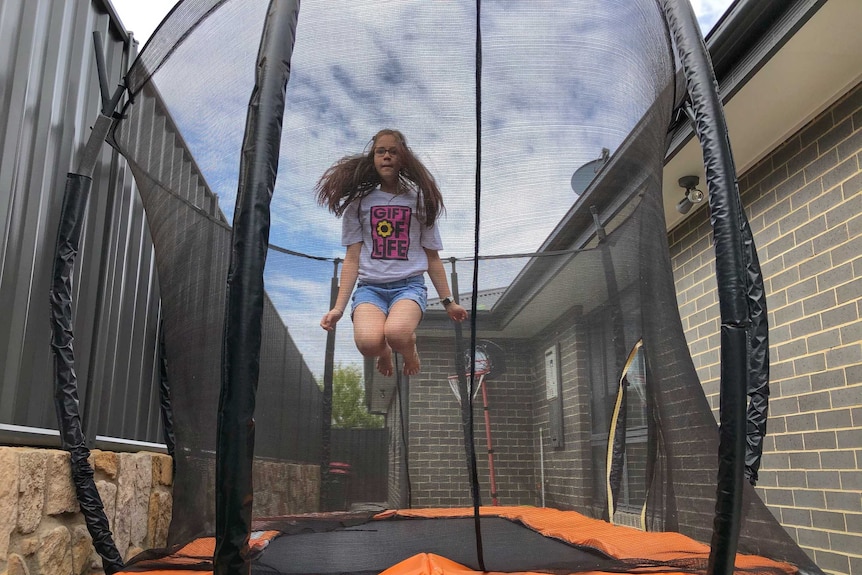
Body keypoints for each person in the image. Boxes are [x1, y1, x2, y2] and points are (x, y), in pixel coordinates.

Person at [318, 129, 468, 376]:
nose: (386, 156)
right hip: (370, 288)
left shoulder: (420, 200)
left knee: (397, 333)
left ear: (403, 158)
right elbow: (352, 258)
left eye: (393, 151)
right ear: (373, 158)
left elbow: (432, 257)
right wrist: (338, 308)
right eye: (380, 151)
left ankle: (409, 351)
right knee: (368, 344)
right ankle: (385, 352)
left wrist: (449, 302)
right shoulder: (359, 203)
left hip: (408, 286)